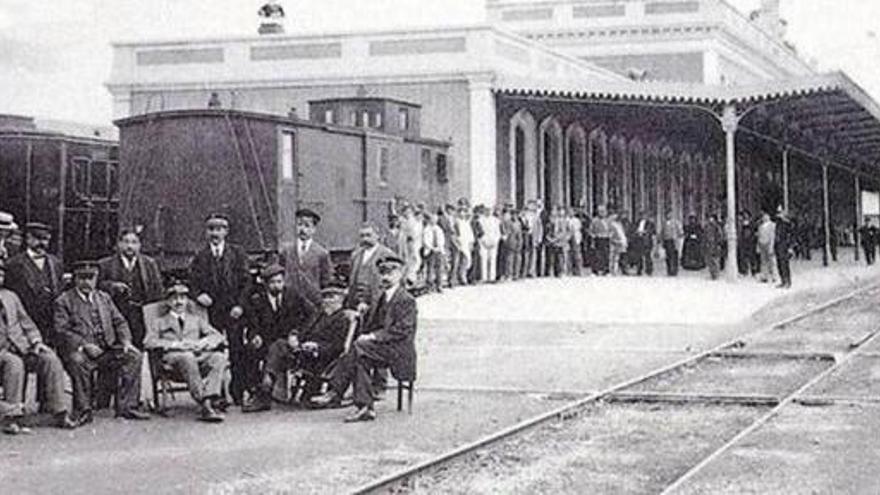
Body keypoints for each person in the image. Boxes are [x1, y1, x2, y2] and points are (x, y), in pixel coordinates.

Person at [312, 254, 417, 423]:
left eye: (391, 273)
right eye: (382, 273)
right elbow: (373, 323)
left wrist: (373, 336)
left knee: (359, 348)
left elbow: (402, 330)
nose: (386, 277)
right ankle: (365, 407)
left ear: (400, 274)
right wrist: (358, 317)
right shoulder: (382, 297)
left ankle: (336, 391)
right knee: (360, 357)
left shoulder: (406, 300)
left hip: (399, 350)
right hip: (382, 348)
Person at [56, 261, 150, 425]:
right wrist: (84, 344)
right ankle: (83, 409)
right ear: (75, 279)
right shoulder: (64, 301)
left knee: (134, 356)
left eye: (90, 278)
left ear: (96, 278)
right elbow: (61, 330)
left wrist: (126, 341)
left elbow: (119, 321)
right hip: (80, 351)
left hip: (107, 348)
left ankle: (127, 406)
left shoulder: (104, 298)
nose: (86, 282)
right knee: (78, 361)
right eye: (82, 278)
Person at [246, 284, 357, 412]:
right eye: (325, 297)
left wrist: (317, 346)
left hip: (320, 357)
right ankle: (267, 382)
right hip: (302, 350)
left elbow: (338, 347)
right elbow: (302, 328)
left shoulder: (342, 318)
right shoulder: (318, 314)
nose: (327, 300)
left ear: (341, 299)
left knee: (286, 349)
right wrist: (294, 336)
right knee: (279, 344)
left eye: (332, 297)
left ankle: (267, 388)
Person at [0, 260, 78, 434]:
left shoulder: (10, 296)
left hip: (21, 346)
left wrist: (36, 342)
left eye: (1, 274)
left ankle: (58, 411)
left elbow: (26, 322)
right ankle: (11, 417)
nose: (0, 277)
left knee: (49, 358)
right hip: (2, 351)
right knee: (14, 364)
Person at [189, 213, 251, 404]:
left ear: (226, 231)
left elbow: (247, 282)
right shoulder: (200, 256)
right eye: (211, 229)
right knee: (214, 352)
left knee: (237, 350)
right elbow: (192, 282)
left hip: (233, 310)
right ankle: (217, 395)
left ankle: (238, 392)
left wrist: (240, 305)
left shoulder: (237, 253)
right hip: (211, 312)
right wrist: (199, 295)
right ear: (206, 232)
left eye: (219, 229)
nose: (215, 233)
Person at [144, 283, 229, 422]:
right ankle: (205, 402)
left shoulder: (195, 319)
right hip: (173, 360)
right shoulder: (159, 321)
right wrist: (175, 345)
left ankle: (208, 399)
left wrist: (203, 343)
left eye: (182, 298)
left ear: (187, 301)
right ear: (168, 302)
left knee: (218, 358)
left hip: (198, 356)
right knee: (187, 357)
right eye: (174, 298)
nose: (179, 302)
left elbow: (218, 336)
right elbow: (148, 342)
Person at [241, 264, 318, 409]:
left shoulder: (293, 294)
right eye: (272, 283)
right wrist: (255, 336)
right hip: (266, 342)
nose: (277, 286)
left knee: (278, 346)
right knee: (249, 351)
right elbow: (252, 324)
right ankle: (255, 389)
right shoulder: (257, 300)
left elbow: (313, 313)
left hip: (290, 342)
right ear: (265, 284)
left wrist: (298, 334)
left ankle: (266, 388)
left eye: (279, 282)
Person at [97, 228, 165, 350]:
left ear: (139, 245)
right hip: (117, 314)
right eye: (126, 242)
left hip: (141, 315)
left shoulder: (149, 264)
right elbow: (97, 288)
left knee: (142, 347)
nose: (130, 246)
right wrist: (112, 286)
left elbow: (158, 290)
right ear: (118, 244)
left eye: (134, 242)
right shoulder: (105, 264)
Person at [4, 222, 63, 345]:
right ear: (28, 238)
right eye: (37, 238)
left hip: (50, 320)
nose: (42, 243)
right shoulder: (13, 264)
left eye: (45, 239)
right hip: (26, 318)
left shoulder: (55, 263)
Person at [282, 208, 333, 306]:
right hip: (290, 301)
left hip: (312, 301)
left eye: (307, 226)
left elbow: (325, 280)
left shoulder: (321, 253)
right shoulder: (286, 250)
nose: (302, 229)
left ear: (313, 229)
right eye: (299, 224)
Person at [344, 223, 395, 312]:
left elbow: (390, 283)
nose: (365, 239)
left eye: (368, 235)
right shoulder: (356, 255)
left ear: (377, 236)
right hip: (355, 302)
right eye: (362, 236)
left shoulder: (386, 255)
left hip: (376, 303)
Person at [421, 213, 446, 293]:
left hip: (439, 251)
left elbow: (442, 240)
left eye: (435, 220)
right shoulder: (426, 229)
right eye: (432, 219)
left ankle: (439, 285)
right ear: (429, 220)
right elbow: (425, 241)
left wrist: (439, 247)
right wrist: (432, 248)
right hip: (430, 251)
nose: (434, 221)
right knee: (430, 269)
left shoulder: (439, 229)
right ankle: (429, 286)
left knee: (439, 269)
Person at [451, 206, 474, 286]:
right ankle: (453, 280)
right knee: (456, 262)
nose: (462, 213)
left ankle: (463, 278)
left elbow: (470, 234)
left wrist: (471, 242)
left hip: (466, 244)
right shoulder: (456, 222)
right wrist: (457, 242)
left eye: (464, 212)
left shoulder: (466, 222)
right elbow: (454, 234)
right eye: (460, 212)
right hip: (458, 244)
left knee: (465, 262)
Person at [477, 206, 501, 283]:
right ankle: (484, 277)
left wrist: (495, 241)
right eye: (486, 210)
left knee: (492, 259)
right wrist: (484, 241)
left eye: (490, 210)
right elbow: (479, 233)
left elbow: (498, 233)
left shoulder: (496, 221)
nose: (488, 212)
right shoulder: (480, 220)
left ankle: (492, 277)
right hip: (484, 242)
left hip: (493, 242)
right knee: (484, 259)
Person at [501, 207, 523, 280]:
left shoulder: (518, 223)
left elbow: (519, 233)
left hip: (518, 241)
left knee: (518, 258)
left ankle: (516, 274)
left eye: (516, 214)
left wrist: (520, 241)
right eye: (513, 214)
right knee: (509, 259)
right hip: (510, 241)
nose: (514, 216)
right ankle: (509, 274)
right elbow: (506, 232)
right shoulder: (508, 222)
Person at [775, 207, 794, 289]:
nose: (779, 215)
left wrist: (790, 247)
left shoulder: (787, 225)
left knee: (785, 264)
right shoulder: (777, 224)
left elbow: (791, 237)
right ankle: (783, 280)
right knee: (779, 264)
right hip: (778, 246)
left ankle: (788, 281)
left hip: (785, 246)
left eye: (781, 213)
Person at [631, 211, 655, 276]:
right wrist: (636, 233)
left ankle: (649, 270)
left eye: (644, 215)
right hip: (639, 240)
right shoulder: (637, 223)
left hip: (646, 241)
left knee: (647, 256)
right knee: (638, 256)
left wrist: (645, 232)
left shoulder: (650, 223)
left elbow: (652, 231)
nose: (642, 216)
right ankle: (639, 270)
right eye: (641, 215)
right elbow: (633, 230)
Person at [589, 205, 611, 276]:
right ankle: (595, 271)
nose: (602, 213)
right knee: (597, 255)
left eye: (603, 211)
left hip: (606, 238)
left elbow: (612, 230)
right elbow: (590, 230)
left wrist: (610, 235)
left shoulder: (608, 221)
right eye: (600, 211)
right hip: (598, 239)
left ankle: (606, 270)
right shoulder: (594, 221)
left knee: (606, 255)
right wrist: (593, 236)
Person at [660, 211, 683, 276]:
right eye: (667, 214)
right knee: (668, 256)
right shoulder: (664, 223)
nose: (668, 216)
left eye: (670, 214)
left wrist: (678, 238)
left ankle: (674, 271)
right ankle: (669, 270)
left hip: (674, 241)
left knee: (674, 256)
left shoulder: (676, 222)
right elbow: (662, 232)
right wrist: (662, 240)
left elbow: (680, 231)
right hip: (667, 241)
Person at [757, 212, 777, 284]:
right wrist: (758, 247)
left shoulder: (772, 225)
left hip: (769, 244)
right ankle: (764, 276)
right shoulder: (760, 226)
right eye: (763, 217)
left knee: (771, 261)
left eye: (766, 216)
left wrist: (772, 246)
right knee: (763, 261)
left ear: (769, 217)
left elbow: (772, 237)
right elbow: (759, 237)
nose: (765, 218)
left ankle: (774, 276)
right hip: (762, 244)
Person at [703, 214, 724, 280]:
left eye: (712, 218)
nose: (710, 220)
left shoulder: (717, 227)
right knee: (709, 261)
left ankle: (716, 274)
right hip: (708, 245)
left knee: (715, 260)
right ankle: (712, 274)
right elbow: (705, 235)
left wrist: (718, 244)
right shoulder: (707, 226)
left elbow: (720, 236)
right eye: (710, 218)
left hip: (715, 245)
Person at [609, 212, 628, 276]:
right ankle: (613, 270)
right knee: (614, 257)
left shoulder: (620, 225)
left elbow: (622, 233)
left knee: (618, 257)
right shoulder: (612, 225)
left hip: (621, 242)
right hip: (616, 242)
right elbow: (611, 234)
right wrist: (614, 240)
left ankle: (617, 270)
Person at [567, 209, 583, 276]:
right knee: (568, 254)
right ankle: (569, 270)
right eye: (569, 212)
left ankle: (578, 270)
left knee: (577, 254)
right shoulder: (566, 220)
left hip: (576, 238)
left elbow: (578, 228)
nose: (571, 213)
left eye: (572, 212)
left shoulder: (577, 220)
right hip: (568, 238)